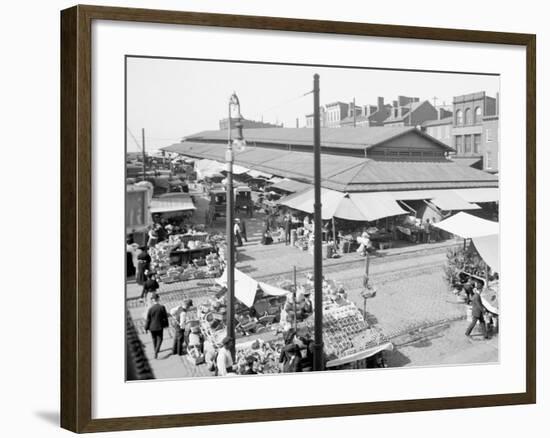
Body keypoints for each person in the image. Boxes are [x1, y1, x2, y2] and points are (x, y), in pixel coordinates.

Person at [144, 293, 169, 359]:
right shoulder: (162, 307)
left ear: (153, 300)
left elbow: (148, 320)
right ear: (158, 299)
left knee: (154, 339)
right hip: (159, 326)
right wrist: (166, 325)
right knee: (160, 339)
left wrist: (146, 328)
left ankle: (155, 349)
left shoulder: (150, 309)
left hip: (152, 327)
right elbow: (165, 317)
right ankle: (156, 351)